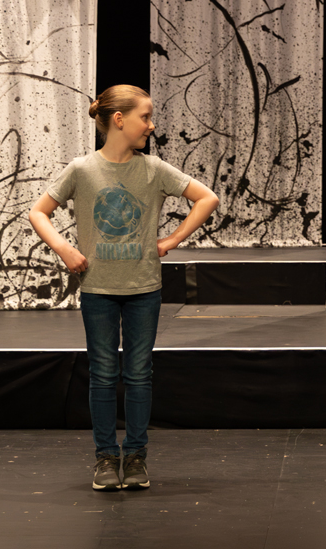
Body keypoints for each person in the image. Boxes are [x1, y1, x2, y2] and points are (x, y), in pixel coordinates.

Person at [29, 84, 219, 492]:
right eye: (145, 117)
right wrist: (64, 249)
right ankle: (105, 456)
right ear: (119, 120)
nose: (151, 125)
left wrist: (171, 240)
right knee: (102, 374)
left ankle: (134, 455)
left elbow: (206, 198)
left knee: (138, 374)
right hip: (98, 289)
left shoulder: (154, 169)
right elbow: (39, 212)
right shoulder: (82, 169)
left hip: (143, 289)